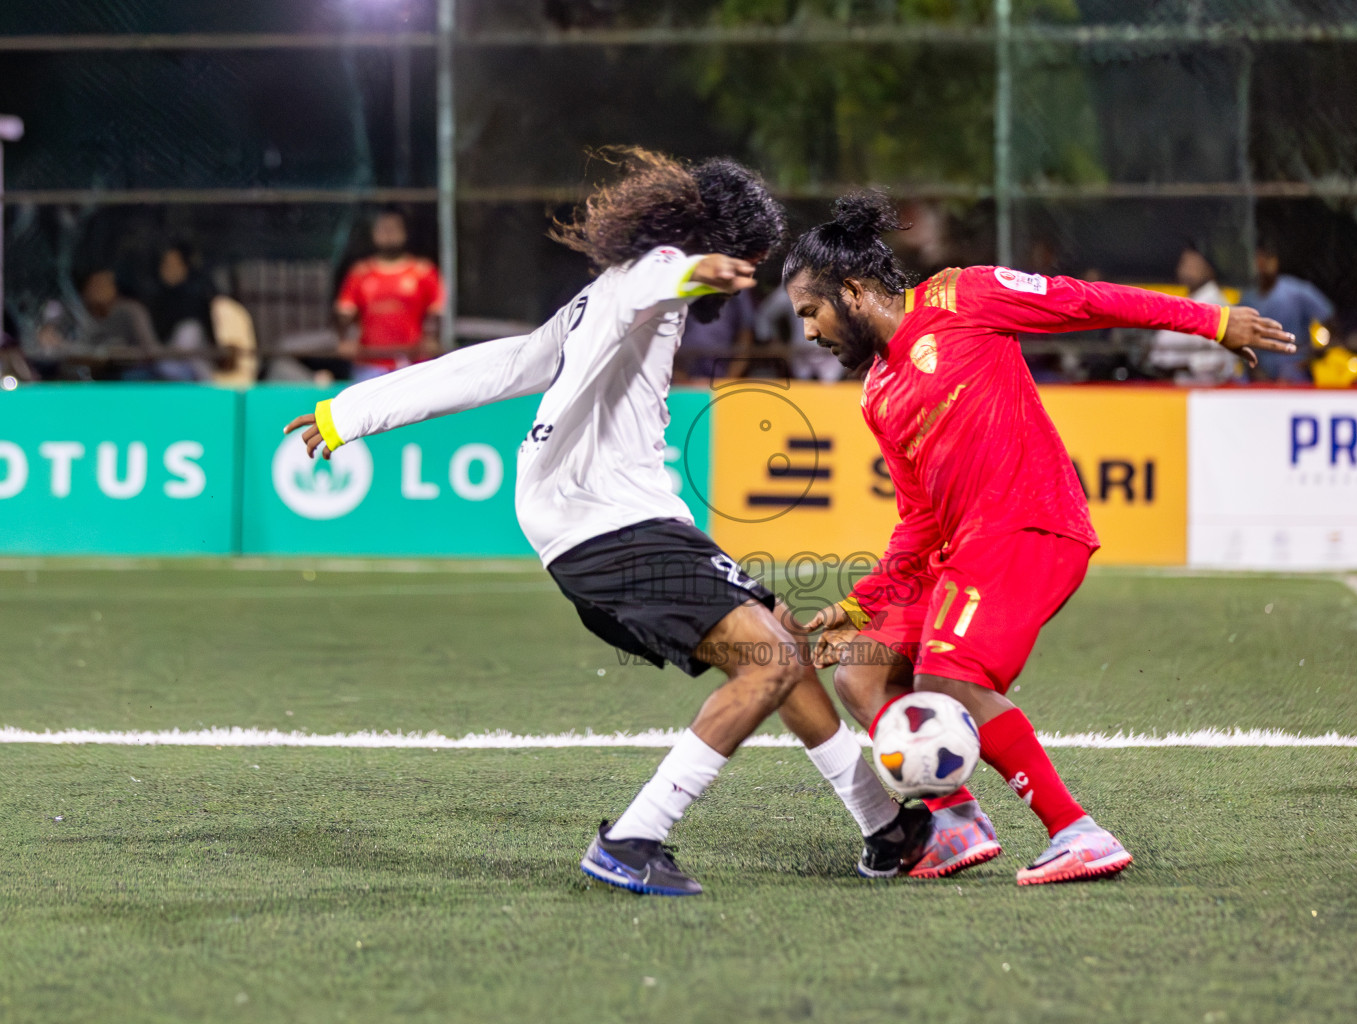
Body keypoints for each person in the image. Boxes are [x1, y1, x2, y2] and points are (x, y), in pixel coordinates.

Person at [283, 151, 929, 897]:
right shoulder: (652, 276)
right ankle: (632, 840)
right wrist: (694, 272)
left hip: (603, 521)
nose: (748, 274)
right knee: (773, 661)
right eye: (748, 257)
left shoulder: (604, 294)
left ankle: (886, 829)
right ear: (720, 241)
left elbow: (503, 363)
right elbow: (661, 276)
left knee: (779, 639)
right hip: (608, 524)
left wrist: (352, 411)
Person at [785, 194, 1293, 884]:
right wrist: (861, 604)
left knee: (948, 677)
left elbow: (1085, 302)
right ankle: (957, 823)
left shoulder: (963, 295)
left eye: (810, 312)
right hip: (964, 545)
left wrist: (1212, 320)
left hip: (1030, 523)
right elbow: (919, 521)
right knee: (862, 672)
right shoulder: (877, 392)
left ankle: (1076, 832)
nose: (808, 332)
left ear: (851, 291)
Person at [335, 209, 445, 381]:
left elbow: (437, 312)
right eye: (383, 229)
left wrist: (432, 339)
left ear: (405, 232)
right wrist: (344, 339)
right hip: (370, 365)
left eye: (393, 228)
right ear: (373, 233)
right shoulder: (360, 273)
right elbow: (345, 312)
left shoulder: (423, 271)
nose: (388, 234)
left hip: (413, 364)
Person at [1243, 238, 1335, 384]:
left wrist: (1316, 354)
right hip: (1260, 372)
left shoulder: (1296, 291)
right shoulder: (1248, 298)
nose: (1264, 264)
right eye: (1259, 258)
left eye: (1268, 258)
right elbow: (1242, 339)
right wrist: (1254, 369)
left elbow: (1329, 320)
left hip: (1295, 370)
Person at [1147, 244, 1242, 384]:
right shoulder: (1179, 303)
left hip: (1209, 392)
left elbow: (1221, 359)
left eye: (1194, 264)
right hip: (1171, 387)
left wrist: (1183, 366)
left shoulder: (1219, 306)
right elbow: (1158, 349)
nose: (1187, 269)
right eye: (1185, 263)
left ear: (1209, 268)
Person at [147, 242, 218, 382]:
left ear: (185, 267)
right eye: (165, 264)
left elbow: (201, 340)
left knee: (189, 329)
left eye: (174, 264)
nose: (167, 269)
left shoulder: (198, 296)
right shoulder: (154, 297)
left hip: (194, 363)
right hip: (162, 363)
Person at [78, 268, 163, 379]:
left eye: (104, 284)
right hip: (94, 371)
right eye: (94, 285)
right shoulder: (81, 313)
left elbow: (150, 349)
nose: (98, 290)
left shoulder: (131, 310)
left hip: (132, 371)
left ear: (114, 288)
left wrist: (123, 352)